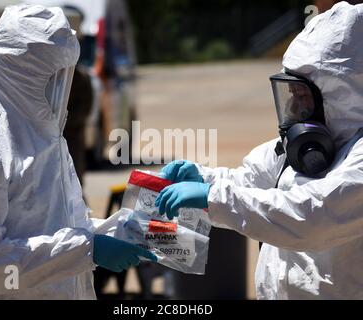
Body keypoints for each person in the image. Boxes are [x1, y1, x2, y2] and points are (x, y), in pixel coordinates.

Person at [155, 2, 363, 299]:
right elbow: (252, 181)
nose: (293, 108)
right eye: (291, 94)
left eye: (303, 95)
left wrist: (212, 198)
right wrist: (204, 179)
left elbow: (310, 217)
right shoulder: (306, 144)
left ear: (341, 95)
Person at [0, 4, 156, 299]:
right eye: (50, 76)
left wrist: (122, 230)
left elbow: (57, 227)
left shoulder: (43, 137)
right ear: (17, 72)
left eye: (63, 75)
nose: (59, 87)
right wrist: (86, 250)